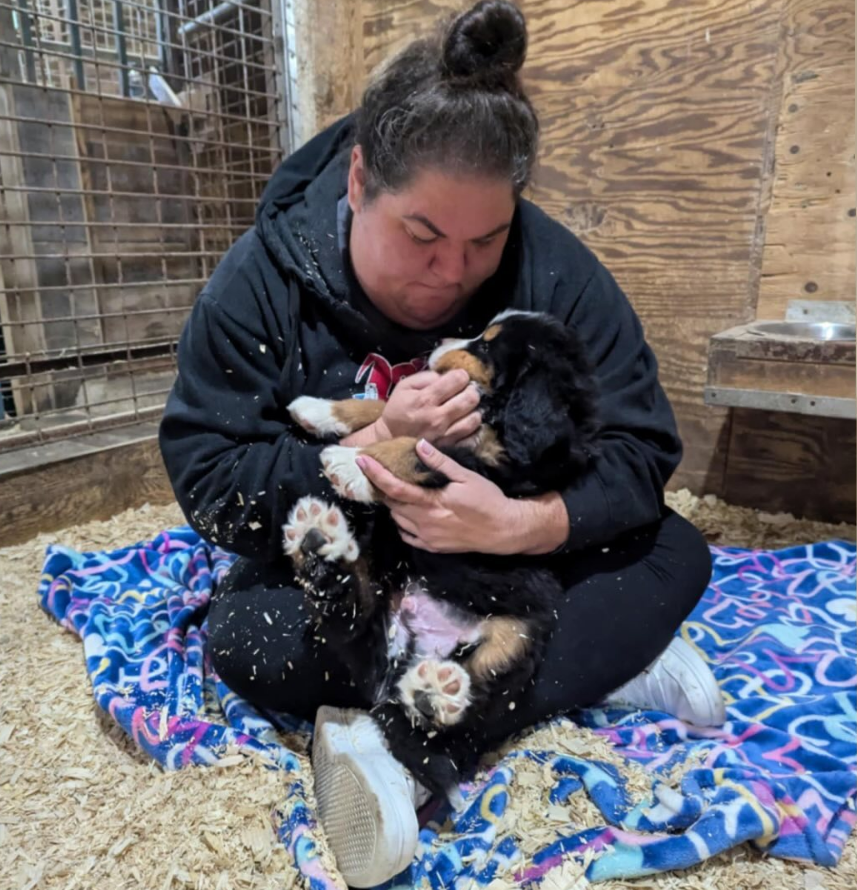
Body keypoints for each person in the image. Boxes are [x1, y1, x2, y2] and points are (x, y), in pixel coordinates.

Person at [159, 1, 725, 885]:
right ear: (356, 182)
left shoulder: (555, 269)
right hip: (373, 573)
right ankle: (600, 660)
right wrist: (375, 444)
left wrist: (523, 524)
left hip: (505, 572)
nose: (452, 273)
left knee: (677, 553)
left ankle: (398, 744)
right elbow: (210, 481)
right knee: (244, 637)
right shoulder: (258, 283)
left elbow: (642, 449)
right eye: (420, 235)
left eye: (485, 241)